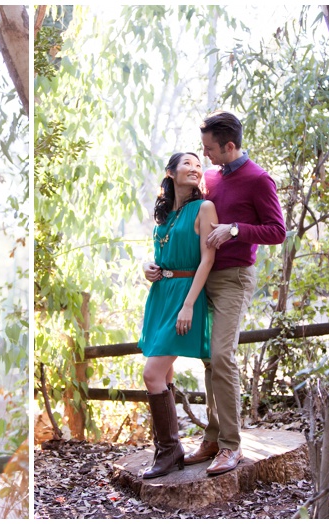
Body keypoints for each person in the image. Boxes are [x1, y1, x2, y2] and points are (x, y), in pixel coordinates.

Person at [149, 110, 286, 476]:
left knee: (223, 356)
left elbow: (277, 231)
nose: (205, 155)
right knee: (210, 359)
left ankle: (231, 445)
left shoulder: (258, 180)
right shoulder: (210, 178)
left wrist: (235, 230)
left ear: (229, 146)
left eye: (210, 149)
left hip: (234, 277)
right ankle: (212, 437)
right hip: (201, 277)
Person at [137, 152, 218, 479]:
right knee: (164, 374)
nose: (196, 169)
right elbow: (158, 253)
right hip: (161, 295)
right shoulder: (164, 214)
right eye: (188, 163)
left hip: (187, 295)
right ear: (171, 172)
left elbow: (207, 260)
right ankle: (168, 451)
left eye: (199, 165)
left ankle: (170, 451)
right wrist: (148, 267)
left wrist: (188, 305)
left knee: (151, 374)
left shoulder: (205, 208)